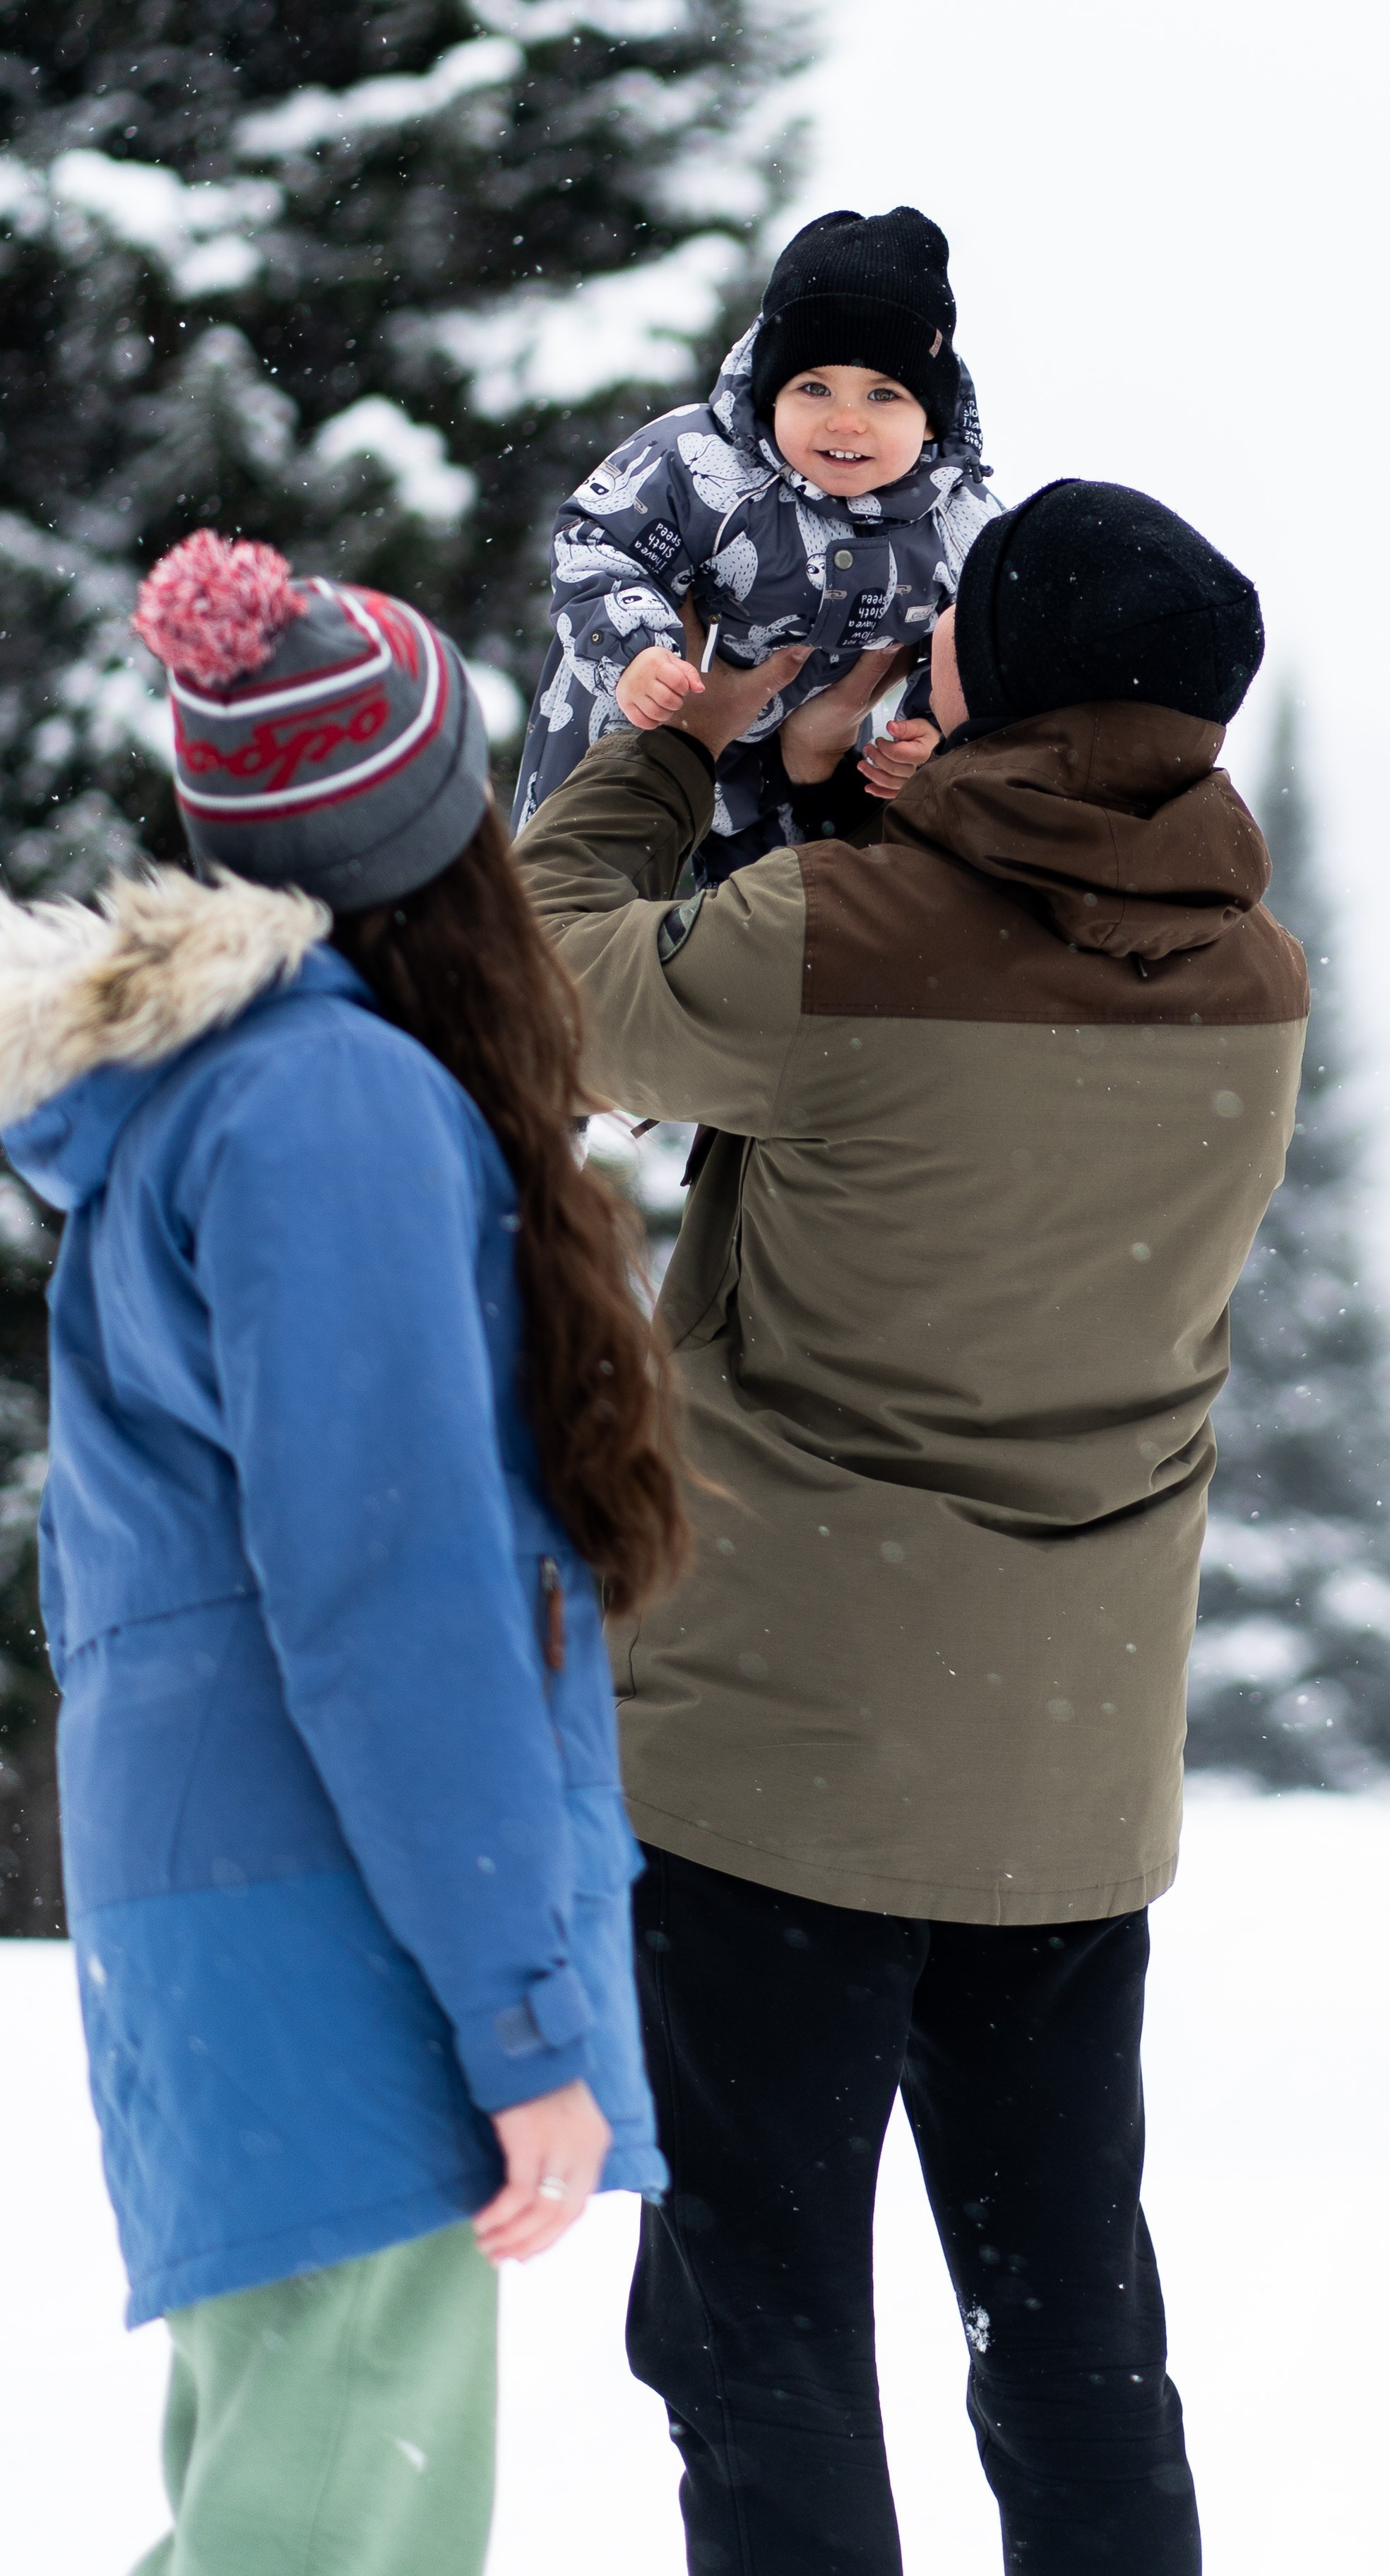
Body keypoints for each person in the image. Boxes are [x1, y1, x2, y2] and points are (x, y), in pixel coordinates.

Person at [513, 476, 1312, 2575]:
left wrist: (680, 752)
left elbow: (548, 980)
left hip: (781, 1762)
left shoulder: (838, 937)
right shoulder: (1255, 981)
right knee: (1072, 2332)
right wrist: (907, 796)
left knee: (758, 2331)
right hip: (1065, 1768)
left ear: (1008, 674)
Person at [0, 530, 686, 2576]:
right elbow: (392, 1602)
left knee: (279, 2509)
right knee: (322, 2532)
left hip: (244, 1904)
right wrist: (521, 2014)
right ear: (440, 831)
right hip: (338, 1922)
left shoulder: (220, 1096)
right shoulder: (331, 1109)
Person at [511, 204, 1003, 881]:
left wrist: (930, 726)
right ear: (771, 396)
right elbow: (597, 541)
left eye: (883, 395)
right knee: (585, 907)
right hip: (631, 736)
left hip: (784, 787)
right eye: (814, 387)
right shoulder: (697, 462)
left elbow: (979, 638)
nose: (846, 420)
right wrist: (635, 652)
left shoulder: (960, 523)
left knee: (751, 923)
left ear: (930, 421)